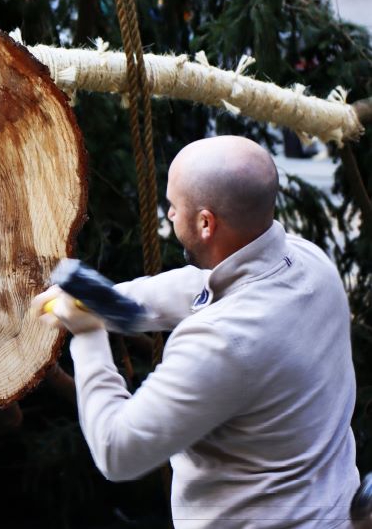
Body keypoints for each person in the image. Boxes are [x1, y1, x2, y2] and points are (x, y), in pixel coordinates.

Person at [33, 135, 360, 528]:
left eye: (173, 207)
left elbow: (117, 451)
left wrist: (85, 332)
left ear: (206, 223)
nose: (168, 216)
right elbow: (199, 286)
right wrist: (104, 301)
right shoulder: (310, 263)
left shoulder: (221, 340)